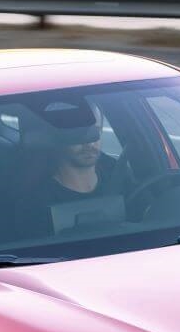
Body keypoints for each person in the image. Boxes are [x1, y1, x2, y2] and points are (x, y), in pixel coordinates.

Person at [13, 97, 127, 235]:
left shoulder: (118, 174)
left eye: (94, 131)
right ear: (57, 136)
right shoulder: (36, 202)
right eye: (79, 133)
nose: (90, 143)